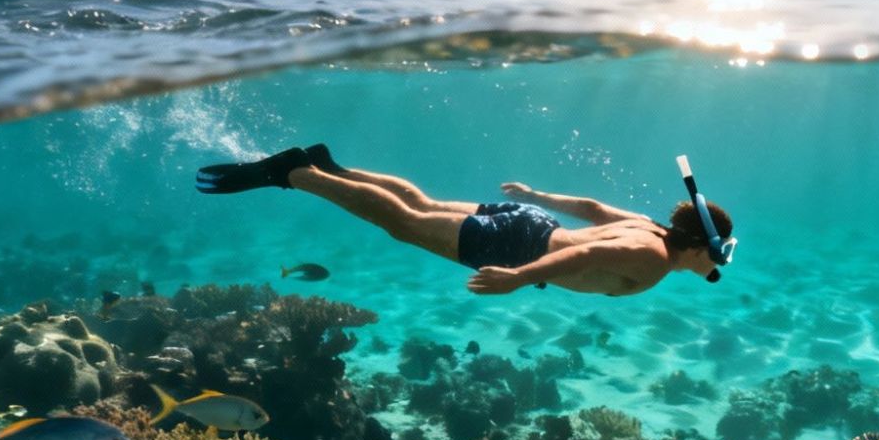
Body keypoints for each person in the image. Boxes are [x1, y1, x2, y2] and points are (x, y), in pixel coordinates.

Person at [195, 145, 735, 297]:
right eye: (722, 252)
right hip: (521, 248)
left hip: (530, 220)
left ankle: (335, 167)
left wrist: (534, 194)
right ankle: (297, 175)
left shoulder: (648, 227)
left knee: (423, 204)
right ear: (701, 246)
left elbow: (593, 213)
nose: (719, 263)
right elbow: (587, 254)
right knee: (405, 223)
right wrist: (518, 277)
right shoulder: (653, 259)